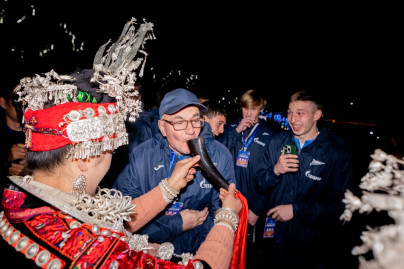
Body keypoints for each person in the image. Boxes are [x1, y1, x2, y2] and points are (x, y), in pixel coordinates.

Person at [0, 18, 243, 269]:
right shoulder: (91, 251)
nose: (113, 155)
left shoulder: (16, 200)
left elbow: (110, 220)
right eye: (109, 150)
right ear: (84, 157)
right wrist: (227, 218)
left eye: (196, 121)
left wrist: (169, 187)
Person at [113, 88, 236, 256]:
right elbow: (121, 220)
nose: (191, 130)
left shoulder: (219, 155)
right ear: (163, 127)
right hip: (146, 253)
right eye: (179, 122)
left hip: (192, 255)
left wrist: (180, 253)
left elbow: (220, 214)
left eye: (195, 120)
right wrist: (176, 224)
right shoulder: (141, 155)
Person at [254, 90, 353, 268]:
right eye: (290, 112)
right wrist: (276, 170)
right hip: (272, 238)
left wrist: (296, 210)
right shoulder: (277, 142)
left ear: (317, 115)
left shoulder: (335, 153)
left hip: (309, 245)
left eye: (300, 113)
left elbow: (342, 206)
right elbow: (260, 184)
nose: (293, 119)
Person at [218, 89, 277, 258]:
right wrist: (236, 132)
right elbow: (218, 154)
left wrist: (258, 209)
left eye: (253, 108)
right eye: (245, 108)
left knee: (248, 251)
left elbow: (271, 176)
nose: (248, 113)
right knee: (226, 246)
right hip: (229, 197)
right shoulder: (229, 128)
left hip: (253, 202)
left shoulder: (270, 134)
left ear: (261, 109)